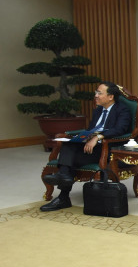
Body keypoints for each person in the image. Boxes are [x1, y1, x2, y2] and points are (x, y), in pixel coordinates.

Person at [41, 81, 132, 212]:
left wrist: (98, 137)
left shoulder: (122, 110)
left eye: (99, 93)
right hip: (91, 148)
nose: (95, 95)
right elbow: (91, 129)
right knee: (68, 146)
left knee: (68, 160)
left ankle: (63, 195)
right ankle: (64, 180)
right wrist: (85, 137)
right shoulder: (98, 110)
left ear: (111, 96)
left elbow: (120, 129)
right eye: (96, 92)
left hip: (107, 149)